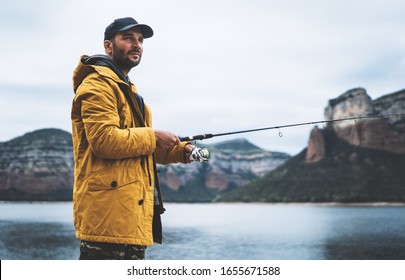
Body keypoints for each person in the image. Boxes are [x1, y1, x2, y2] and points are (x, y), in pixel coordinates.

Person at [71, 17, 194, 260]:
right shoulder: (97, 86)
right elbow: (105, 141)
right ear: (108, 46)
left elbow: (141, 146)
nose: (136, 44)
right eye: (128, 38)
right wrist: (153, 135)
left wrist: (181, 151)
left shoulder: (130, 93)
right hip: (107, 223)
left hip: (130, 222)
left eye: (140, 40)